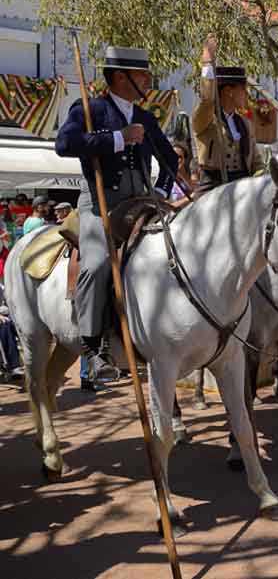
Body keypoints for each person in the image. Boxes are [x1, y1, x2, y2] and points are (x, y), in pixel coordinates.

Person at [55, 45, 177, 381]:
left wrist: (164, 191)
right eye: (142, 74)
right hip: (99, 203)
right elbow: (64, 144)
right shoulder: (90, 109)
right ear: (122, 77)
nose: (148, 79)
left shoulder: (146, 117)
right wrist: (116, 139)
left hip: (142, 201)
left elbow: (172, 159)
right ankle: (94, 349)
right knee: (95, 265)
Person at [192, 35, 263, 193]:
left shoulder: (245, 124)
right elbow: (207, 99)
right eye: (243, 89)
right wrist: (207, 63)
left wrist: (263, 177)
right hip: (213, 188)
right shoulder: (206, 120)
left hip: (243, 189)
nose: (247, 94)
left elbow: (257, 163)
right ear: (228, 91)